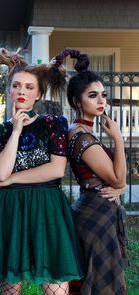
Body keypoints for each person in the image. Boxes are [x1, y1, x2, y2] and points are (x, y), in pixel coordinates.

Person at [0, 48, 83, 295]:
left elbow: (56, 169)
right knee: (11, 289)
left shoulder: (53, 124)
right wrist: (17, 132)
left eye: (29, 87)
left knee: (55, 287)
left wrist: (12, 178)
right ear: (9, 90)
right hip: (9, 211)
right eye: (17, 85)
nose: (22, 91)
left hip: (46, 208)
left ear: (39, 93)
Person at [53, 48, 128, 294]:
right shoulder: (82, 137)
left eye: (103, 96)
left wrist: (120, 186)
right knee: (99, 285)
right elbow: (118, 178)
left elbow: (117, 181)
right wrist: (118, 138)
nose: (101, 102)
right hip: (96, 216)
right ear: (77, 101)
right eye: (93, 96)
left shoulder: (83, 131)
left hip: (96, 210)